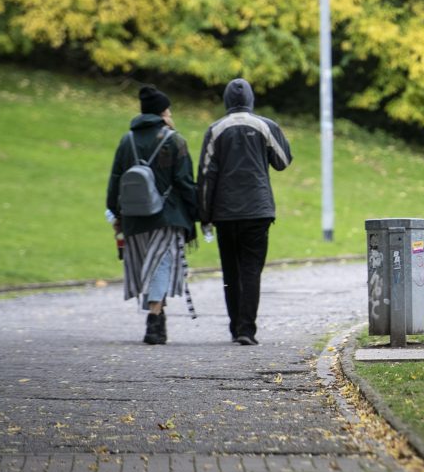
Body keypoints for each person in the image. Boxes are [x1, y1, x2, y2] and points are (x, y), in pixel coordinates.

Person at [198, 79, 292, 345]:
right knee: (251, 269)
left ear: (226, 101)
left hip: (225, 213)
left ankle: (234, 325)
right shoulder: (265, 125)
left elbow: (206, 176)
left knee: (231, 270)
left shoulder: (215, 130)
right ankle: (246, 329)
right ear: (251, 100)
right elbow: (283, 161)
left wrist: (204, 215)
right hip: (257, 210)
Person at [106, 85, 199, 345]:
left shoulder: (128, 140)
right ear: (162, 112)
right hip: (166, 217)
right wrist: (197, 212)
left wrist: (115, 213)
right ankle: (155, 319)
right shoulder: (174, 140)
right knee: (161, 265)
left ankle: (157, 312)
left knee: (148, 265)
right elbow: (184, 181)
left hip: (134, 217)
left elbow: (115, 179)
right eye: (169, 111)